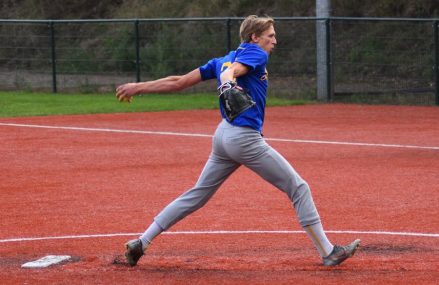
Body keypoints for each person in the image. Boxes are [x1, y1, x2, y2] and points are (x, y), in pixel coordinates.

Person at [116, 15, 360, 267]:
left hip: (223, 136)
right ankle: (328, 252)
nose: (275, 41)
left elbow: (178, 82)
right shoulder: (256, 54)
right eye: (270, 36)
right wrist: (229, 81)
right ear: (254, 38)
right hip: (244, 139)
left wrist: (139, 86)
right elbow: (235, 71)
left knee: (197, 194)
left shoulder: (222, 59)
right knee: (299, 188)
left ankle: (141, 242)